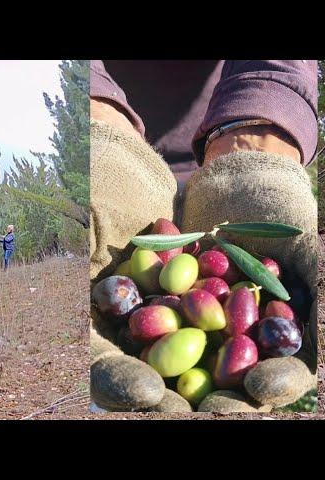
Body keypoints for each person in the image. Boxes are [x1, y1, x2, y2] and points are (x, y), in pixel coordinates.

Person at [90, 60, 319, 413]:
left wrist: (260, 147)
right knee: (119, 388)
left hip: (223, 145)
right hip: (129, 163)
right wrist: (95, 128)